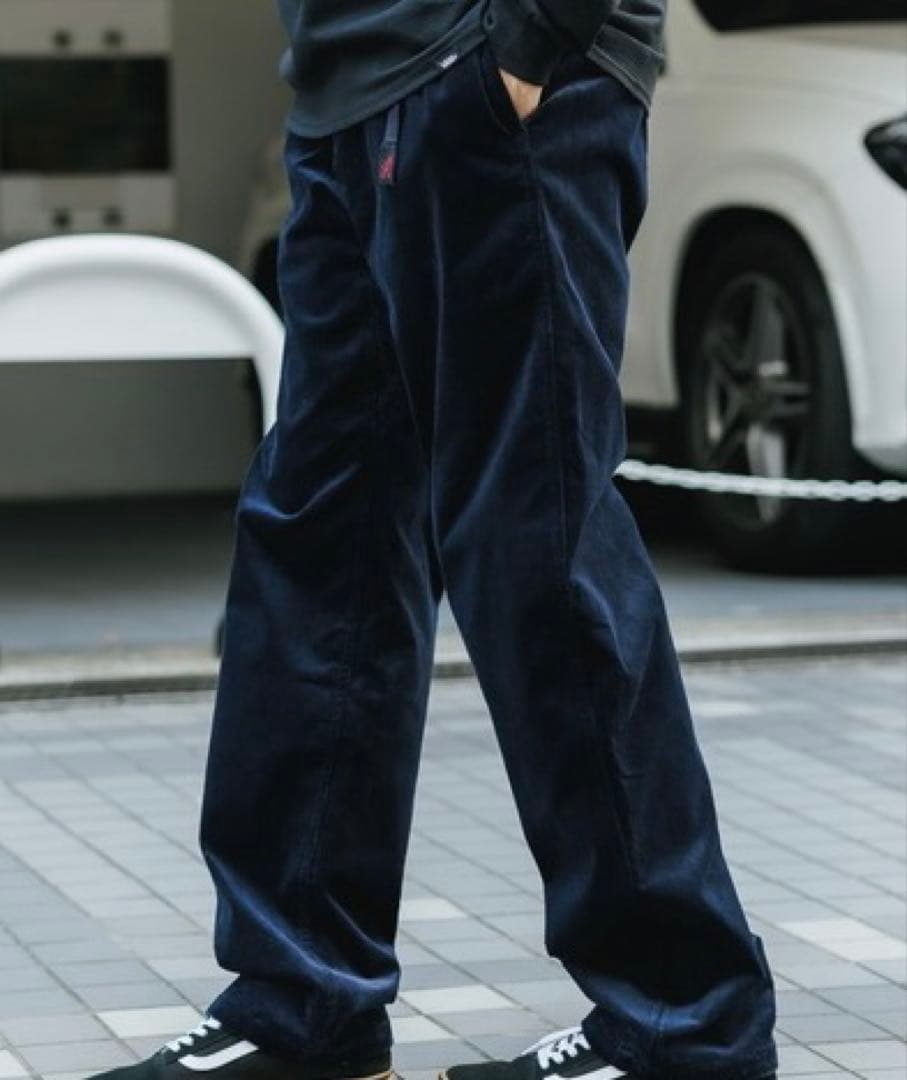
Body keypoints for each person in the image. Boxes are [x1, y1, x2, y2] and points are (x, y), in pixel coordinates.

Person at [88, 2, 778, 1078]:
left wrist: (533, 38)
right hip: (344, 96)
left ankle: (683, 1026)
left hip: (484, 69)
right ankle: (303, 1007)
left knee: (534, 543)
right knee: (321, 553)